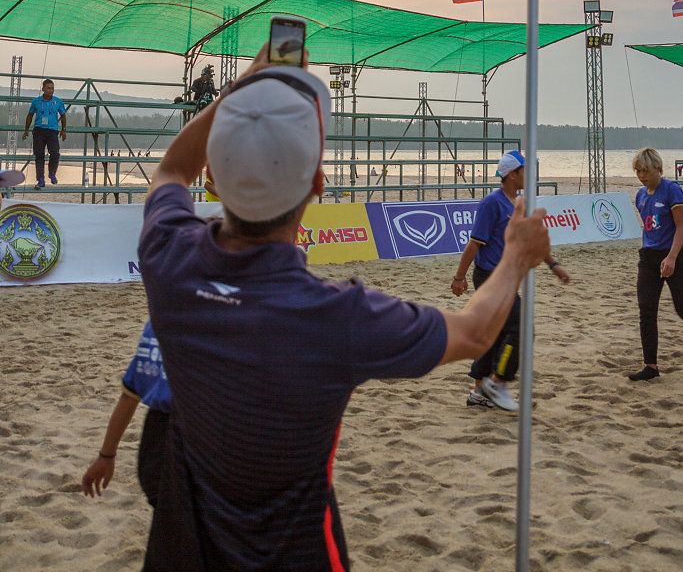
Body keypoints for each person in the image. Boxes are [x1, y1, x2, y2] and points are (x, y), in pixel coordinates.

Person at [138, 46, 551, 572]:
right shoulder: (335, 315)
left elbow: (171, 169)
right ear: (316, 184)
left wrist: (241, 92)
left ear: (215, 173)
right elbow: (474, 333)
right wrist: (516, 258)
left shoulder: (171, 261)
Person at [450, 150, 570, 412]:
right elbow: (473, 244)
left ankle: (479, 391)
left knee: (497, 332)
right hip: (490, 278)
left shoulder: (520, 204)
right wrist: (459, 277)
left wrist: (554, 266)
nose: (531, 175)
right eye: (527, 170)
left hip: (507, 277)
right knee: (522, 327)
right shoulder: (492, 203)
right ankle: (498, 382)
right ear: (512, 174)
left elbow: (533, 239)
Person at [82, 321, 171, 507]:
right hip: (194, 432)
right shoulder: (225, 320)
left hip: (158, 439)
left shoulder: (157, 324)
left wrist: (106, 455)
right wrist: (106, 456)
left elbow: (129, 396)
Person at [629, 147, 683, 381]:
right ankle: (651, 366)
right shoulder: (641, 195)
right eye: (638, 171)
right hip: (648, 258)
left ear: (659, 169)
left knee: (681, 309)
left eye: (646, 171)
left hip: (674, 256)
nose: (642, 175)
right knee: (646, 310)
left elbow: (681, 227)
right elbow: (650, 228)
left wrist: (671, 258)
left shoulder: (671, 190)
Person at [22, 78, 67, 189]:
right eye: (48, 88)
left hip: (52, 131)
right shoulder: (36, 101)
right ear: (43, 89)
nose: (50, 90)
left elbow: (63, 115)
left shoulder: (58, 101)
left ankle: (52, 173)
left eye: (52, 88)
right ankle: (40, 179)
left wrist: (63, 130)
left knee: (55, 153)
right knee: (39, 155)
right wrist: (26, 130)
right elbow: (30, 115)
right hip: (39, 131)